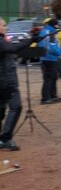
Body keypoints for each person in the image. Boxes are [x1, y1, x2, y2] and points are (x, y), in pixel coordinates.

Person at [0, 18, 35, 151]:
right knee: (16, 107)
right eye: (3, 26)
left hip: (4, 83)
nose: (6, 28)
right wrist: (30, 40)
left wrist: (32, 40)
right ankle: (5, 139)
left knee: (1, 111)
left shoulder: (3, 41)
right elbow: (12, 48)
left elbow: (12, 49)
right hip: (6, 82)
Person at [37, 19, 61, 105]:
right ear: (54, 25)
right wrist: (59, 53)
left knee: (53, 77)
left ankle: (53, 96)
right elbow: (51, 46)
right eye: (57, 24)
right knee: (48, 79)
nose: (58, 26)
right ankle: (45, 98)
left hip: (45, 58)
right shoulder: (51, 33)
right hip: (50, 59)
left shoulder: (44, 31)